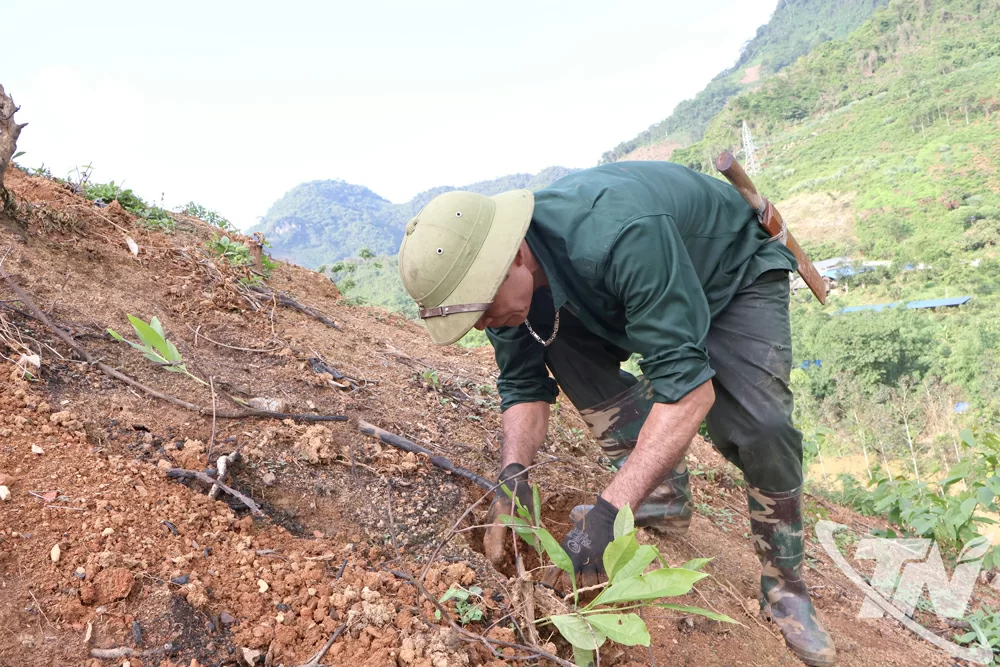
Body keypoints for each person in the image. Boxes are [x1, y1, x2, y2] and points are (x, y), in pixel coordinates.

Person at [396, 160, 836, 667]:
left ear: (516, 256)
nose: (482, 326)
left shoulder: (619, 235)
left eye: (483, 312)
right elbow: (522, 387)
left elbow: (690, 392)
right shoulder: (503, 290)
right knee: (552, 340)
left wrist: (606, 514)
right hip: (626, 292)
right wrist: (513, 477)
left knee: (763, 424)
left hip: (727, 277)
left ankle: (787, 587)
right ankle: (660, 496)